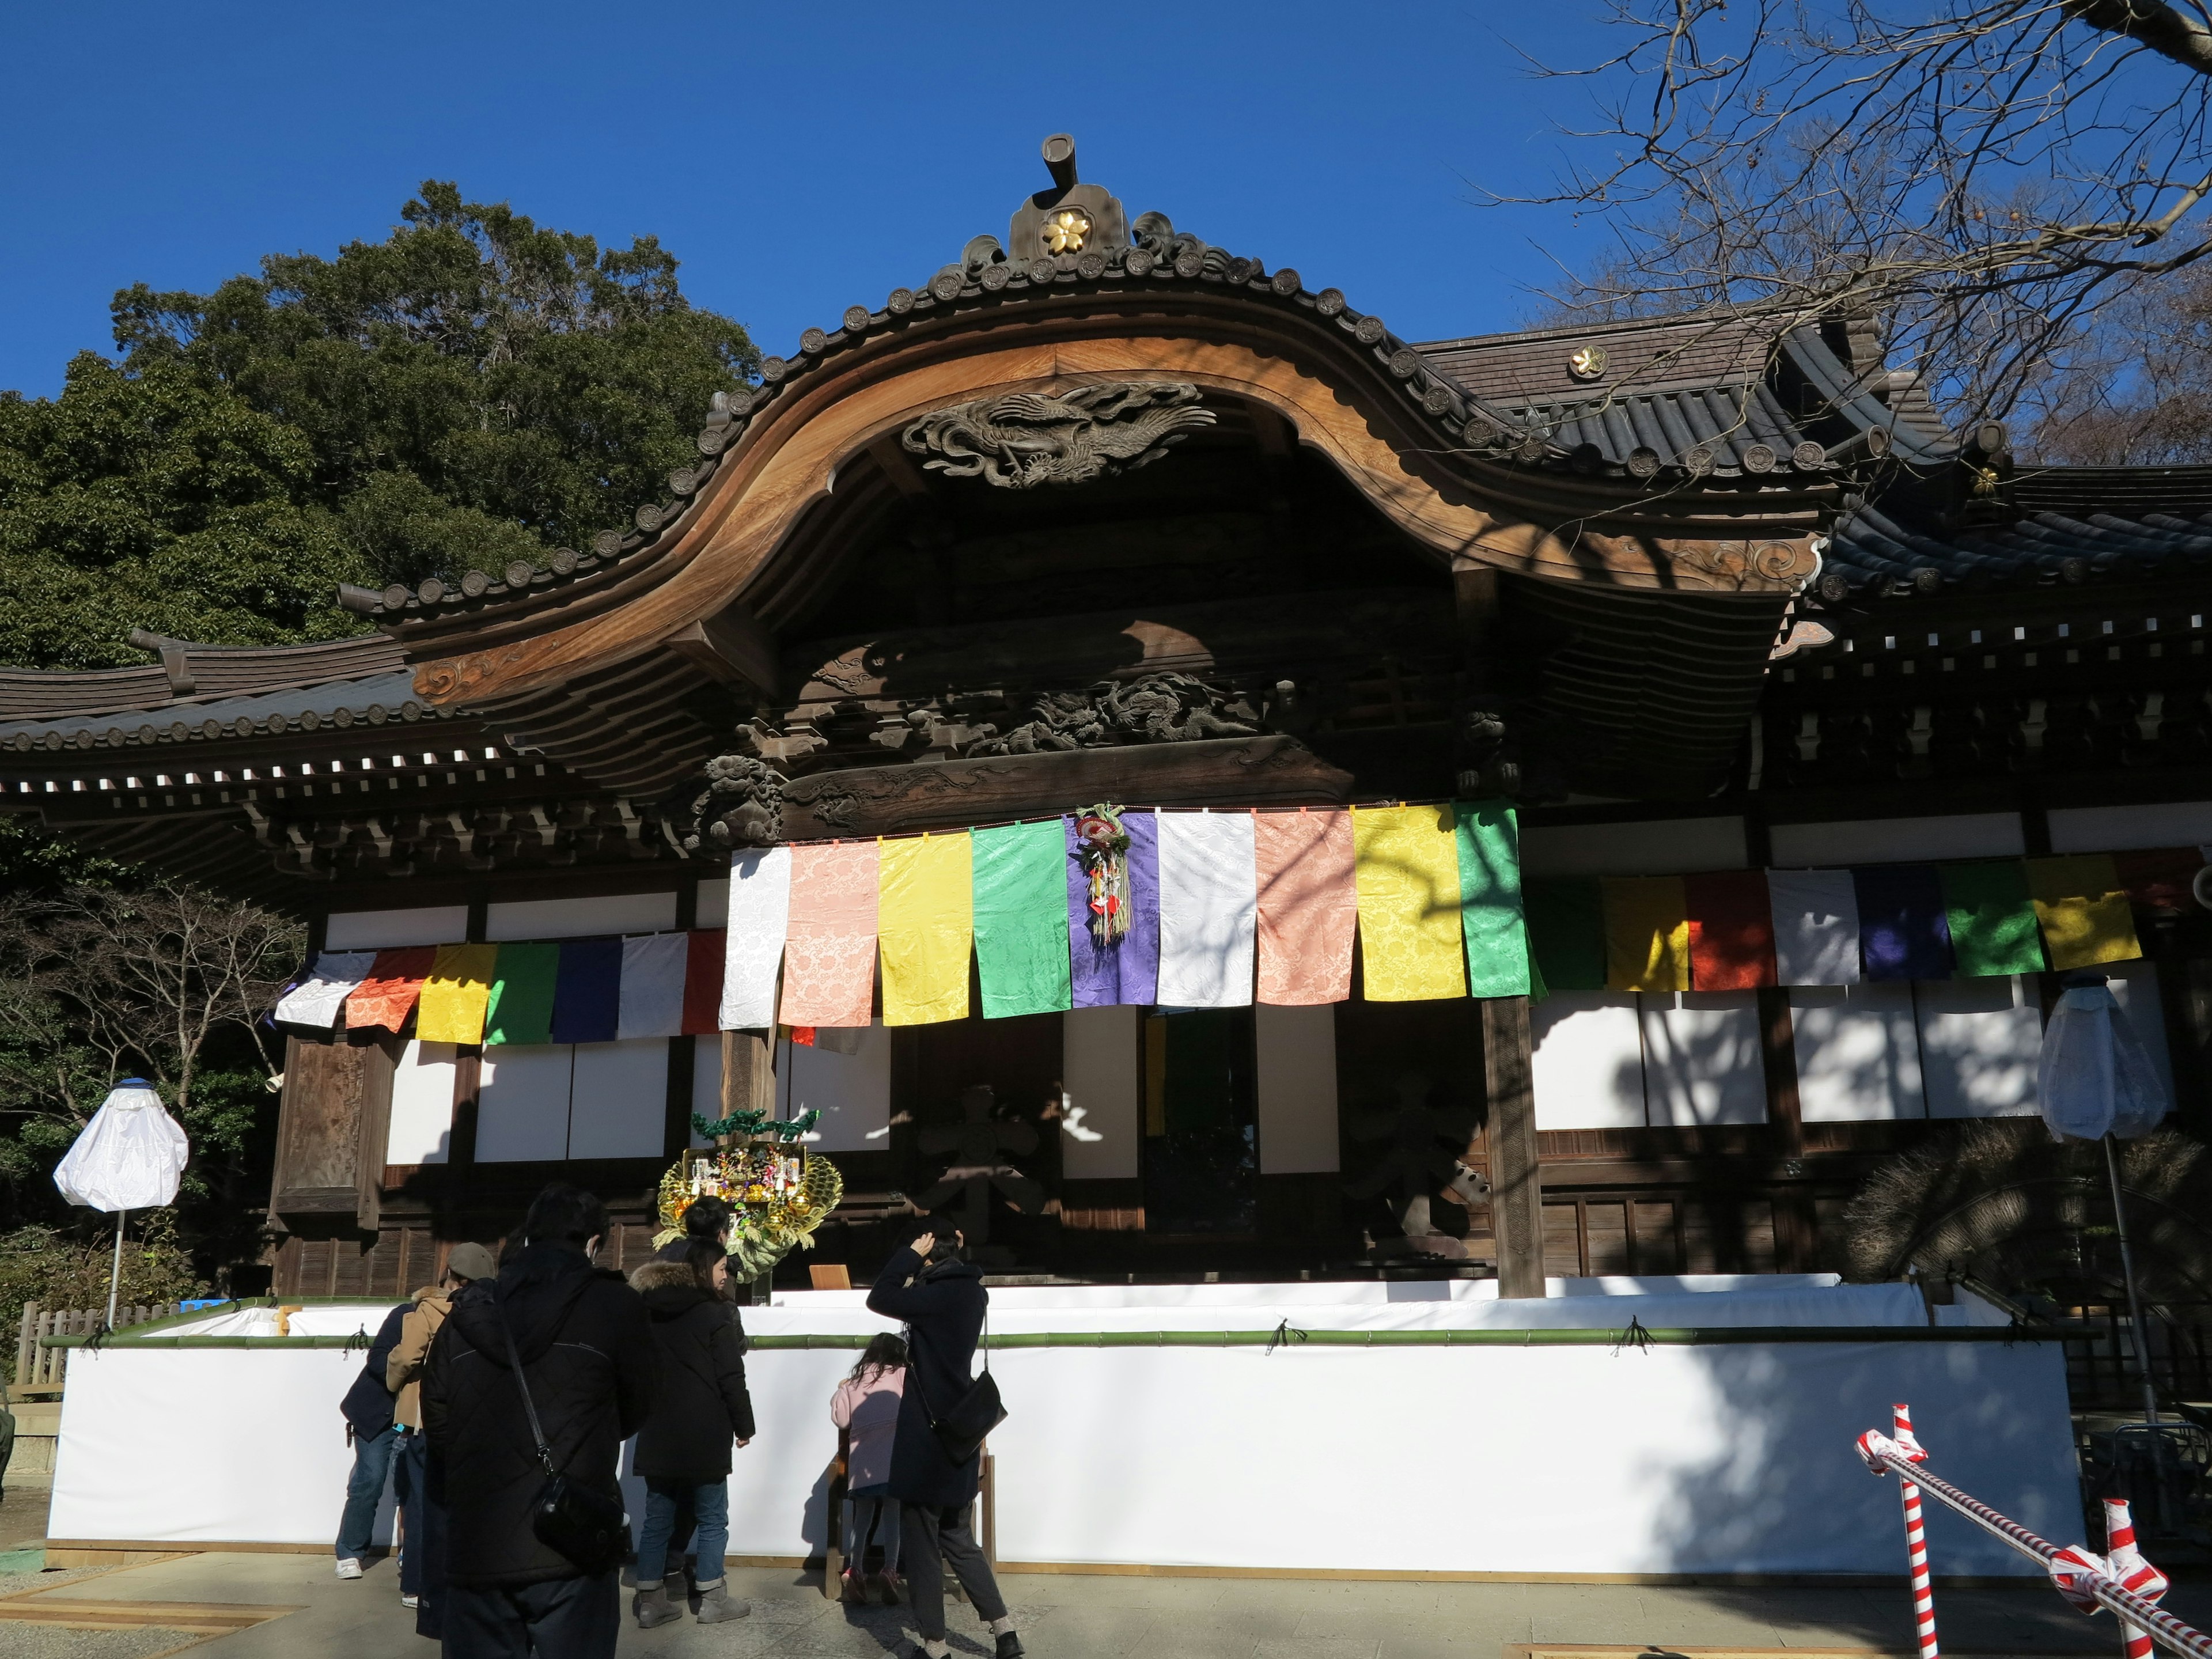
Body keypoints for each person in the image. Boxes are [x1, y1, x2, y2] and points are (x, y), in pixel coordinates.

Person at [422, 1184, 654, 1659]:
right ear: (593, 1242)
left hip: (478, 1541)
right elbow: (637, 1406)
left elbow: (439, 1424)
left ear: (527, 1238)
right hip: (570, 1535)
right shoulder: (615, 1306)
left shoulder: (465, 1315)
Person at [866, 1225, 1022, 1659]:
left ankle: (935, 1647)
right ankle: (1004, 1631)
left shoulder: (932, 1297)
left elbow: (879, 1296)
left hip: (926, 1433)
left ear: (930, 1254)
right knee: (958, 1536)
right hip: (962, 1429)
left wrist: (908, 1256)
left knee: (922, 1544)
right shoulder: (974, 1293)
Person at [627, 1237, 755, 1627]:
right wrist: (744, 1424)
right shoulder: (715, 1314)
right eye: (722, 1268)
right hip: (705, 1429)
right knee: (713, 1517)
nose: (726, 1275)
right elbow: (731, 1376)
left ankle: (650, 1600)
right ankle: (713, 1598)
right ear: (702, 1270)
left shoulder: (645, 1313)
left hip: (657, 1429)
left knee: (657, 1518)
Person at [387, 1243, 497, 1613]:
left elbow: (407, 1356)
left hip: (424, 1418)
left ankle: (418, 1585)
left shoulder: (429, 1309)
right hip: (475, 1420)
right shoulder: (493, 1312)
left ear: (450, 1273)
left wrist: (393, 1381)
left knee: (421, 1504)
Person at [335, 1294, 412, 1581]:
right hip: (377, 1413)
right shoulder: (406, 1314)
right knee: (370, 1479)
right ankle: (349, 1552)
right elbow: (377, 1360)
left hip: (417, 1415)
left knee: (413, 1487)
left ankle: (411, 1553)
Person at [830, 1332, 908, 1606]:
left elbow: (841, 1421)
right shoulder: (902, 1374)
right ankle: (890, 1569)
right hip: (894, 1462)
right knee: (892, 1516)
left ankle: (856, 1570)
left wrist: (841, 1389)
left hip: (861, 1465)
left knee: (861, 1520)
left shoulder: (853, 1383)